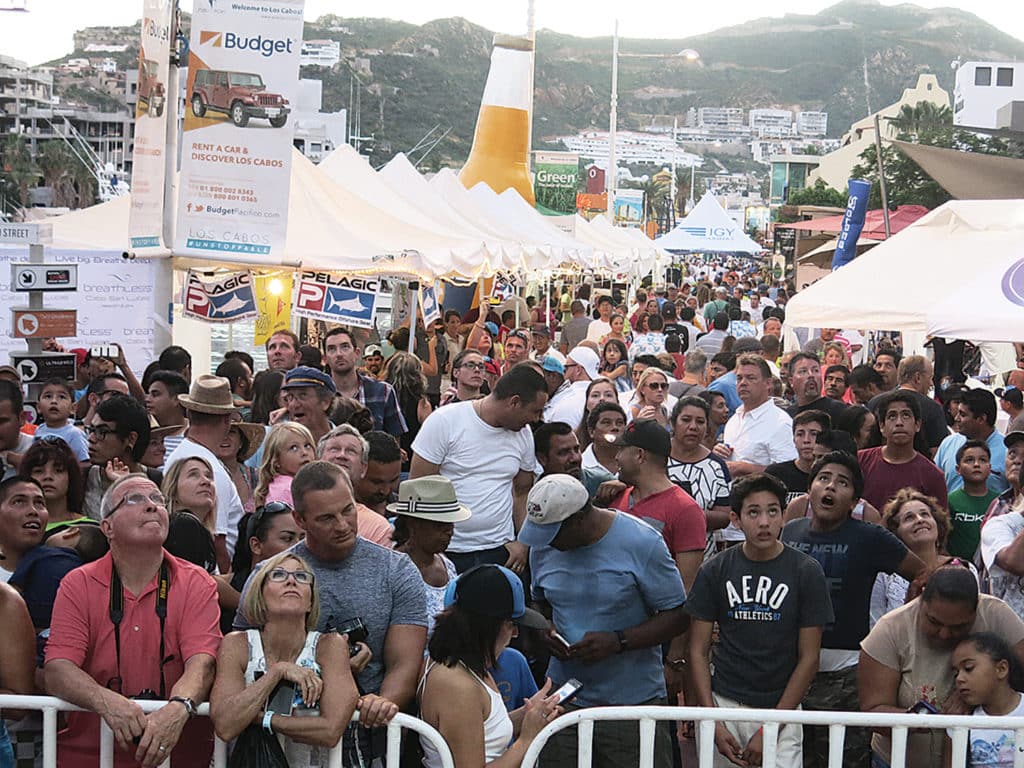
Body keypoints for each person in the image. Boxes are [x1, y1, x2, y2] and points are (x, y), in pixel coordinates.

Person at [233, 461, 427, 766]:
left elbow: (406, 663)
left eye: (347, 510)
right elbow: (246, 651)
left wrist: (383, 702)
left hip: (366, 731)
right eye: (326, 518)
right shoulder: (269, 575)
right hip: (279, 737)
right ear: (300, 519)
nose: (342, 524)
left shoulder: (397, 570)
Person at [45, 473, 221, 768]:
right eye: (135, 499)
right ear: (107, 527)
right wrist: (108, 702)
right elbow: (58, 669)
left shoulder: (197, 582)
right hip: (89, 758)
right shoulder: (77, 583)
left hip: (179, 759)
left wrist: (179, 708)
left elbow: (203, 663)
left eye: (158, 499)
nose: (152, 506)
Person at [518, 474, 686, 768]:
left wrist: (618, 641)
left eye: (554, 534)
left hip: (631, 704)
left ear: (579, 519)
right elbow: (540, 602)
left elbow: (679, 615)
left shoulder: (642, 542)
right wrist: (545, 630)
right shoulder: (544, 545)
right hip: (563, 700)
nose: (547, 544)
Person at [782, 452, 924, 768]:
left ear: (854, 501)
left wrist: (900, 626)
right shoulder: (790, 531)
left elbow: (924, 576)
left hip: (846, 676)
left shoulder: (870, 536)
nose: (830, 487)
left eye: (842, 483)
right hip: (790, 672)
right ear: (810, 490)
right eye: (823, 479)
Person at [687, 473, 833, 768]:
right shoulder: (715, 569)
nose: (764, 522)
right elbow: (697, 650)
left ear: (783, 516)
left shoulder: (806, 571)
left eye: (772, 511)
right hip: (723, 702)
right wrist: (711, 718)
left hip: (781, 707)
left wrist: (773, 725)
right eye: (753, 512)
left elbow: (809, 658)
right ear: (735, 518)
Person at [859, 566, 1024, 768]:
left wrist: (974, 698)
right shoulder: (889, 631)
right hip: (898, 761)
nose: (944, 633)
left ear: (976, 609)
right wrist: (921, 718)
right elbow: (872, 713)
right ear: (921, 601)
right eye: (934, 621)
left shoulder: (998, 615)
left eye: (959, 627)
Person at [211, 551, 358, 766]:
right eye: (278, 575)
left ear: (310, 602)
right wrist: (277, 671)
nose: (291, 581)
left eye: (301, 577)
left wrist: (263, 719)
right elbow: (225, 724)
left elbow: (330, 730)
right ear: (260, 595)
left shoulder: (329, 646)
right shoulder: (237, 644)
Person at [417, 564, 561, 768]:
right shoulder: (456, 685)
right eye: (512, 624)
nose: (516, 634)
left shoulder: (463, 666)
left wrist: (527, 716)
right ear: (488, 626)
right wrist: (526, 740)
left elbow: (479, 732)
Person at [411, 366, 546, 573]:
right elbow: (418, 489)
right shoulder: (444, 421)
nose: (537, 419)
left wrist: (523, 543)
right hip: (447, 553)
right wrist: (429, 551)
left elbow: (522, 492)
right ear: (514, 402)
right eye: (535, 411)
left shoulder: (524, 434)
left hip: (501, 551)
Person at [610, 420, 706, 592]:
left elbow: (686, 590)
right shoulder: (615, 497)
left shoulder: (685, 510)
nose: (617, 457)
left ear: (639, 455)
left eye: (621, 449)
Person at [165, 376, 244, 565]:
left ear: (189, 414)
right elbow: (218, 540)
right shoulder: (210, 471)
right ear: (227, 420)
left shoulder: (181, 455)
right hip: (209, 573)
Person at [388, 475, 470, 638]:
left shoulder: (447, 564)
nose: (450, 531)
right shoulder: (392, 571)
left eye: (451, 524)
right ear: (413, 524)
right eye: (439, 525)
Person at [870, 489, 961, 627]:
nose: (920, 520)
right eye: (909, 518)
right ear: (896, 533)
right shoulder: (884, 577)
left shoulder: (963, 568)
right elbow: (875, 626)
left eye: (925, 514)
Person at [858, 390, 948, 512]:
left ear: (917, 425)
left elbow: (940, 525)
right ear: (882, 426)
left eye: (906, 415)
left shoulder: (932, 475)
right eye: (892, 416)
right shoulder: (860, 461)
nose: (899, 423)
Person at [945, 632, 1024, 768]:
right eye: (956, 673)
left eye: (968, 668)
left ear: (1001, 669)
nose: (959, 678)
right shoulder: (960, 722)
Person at [666, 396, 732, 555]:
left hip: (702, 555)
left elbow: (724, 516)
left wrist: (689, 517)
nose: (693, 427)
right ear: (673, 423)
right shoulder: (655, 458)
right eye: (686, 420)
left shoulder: (716, 466)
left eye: (700, 422)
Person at [715, 354, 797, 478]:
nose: (743, 383)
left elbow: (788, 472)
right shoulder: (734, 420)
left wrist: (745, 468)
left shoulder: (780, 423)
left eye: (751, 378)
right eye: (739, 378)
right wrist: (718, 454)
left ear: (768, 383)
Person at [83, 394, 160, 520]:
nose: (91, 438)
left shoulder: (156, 482)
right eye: (91, 430)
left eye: (102, 432)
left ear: (130, 439)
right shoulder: (83, 478)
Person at [316, 425, 394, 547]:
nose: (341, 455)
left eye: (351, 451)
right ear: (317, 461)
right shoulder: (297, 507)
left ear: (363, 468)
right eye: (334, 449)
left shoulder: (378, 527)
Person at [323, 328, 407, 436]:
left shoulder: (384, 391)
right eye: (331, 349)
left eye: (345, 347)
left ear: (357, 353)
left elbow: (394, 443)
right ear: (325, 358)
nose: (339, 354)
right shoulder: (318, 395)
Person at [868, 355, 949, 456]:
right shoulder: (933, 408)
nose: (931, 383)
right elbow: (937, 451)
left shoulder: (874, 402)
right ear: (918, 377)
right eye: (930, 378)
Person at [935, 388, 1008, 495]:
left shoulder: (1007, 451)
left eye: (963, 414)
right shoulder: (948, 444)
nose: (956, 418)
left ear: (981, 419)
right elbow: (935, 482)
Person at [160, 456, 219, 573]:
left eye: (209, 476)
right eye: (193, 475)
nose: (206, 481)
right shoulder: (182, 525)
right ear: (173, 490)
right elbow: (192, 582)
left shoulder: (202, 532)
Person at [946, 440, 1000, 560]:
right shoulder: (949, 501)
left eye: (982, 460)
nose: (976, 464)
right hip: (960, 570)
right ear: (958, 469)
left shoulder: (1000, 502)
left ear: (990, 468)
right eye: (969, 460)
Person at [19, 437, 87, 529]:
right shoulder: (16, 529)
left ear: (71, 477)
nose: (48, 476)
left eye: (58, 471)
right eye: (39, 471)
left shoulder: (89, 528)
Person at [766, 410, 830, 503]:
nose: (806, 440)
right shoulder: (775, 474)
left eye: (814, 434)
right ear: (793, 440)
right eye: (800, 434)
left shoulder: (832, 476)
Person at [384, 351, 433, 472]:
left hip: (385, 463)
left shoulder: (382, 397)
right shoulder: (422, 403)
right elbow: (430, 436)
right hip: (411, 464)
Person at [253, 422, 316, 509]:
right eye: (294, 448)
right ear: (276, 460)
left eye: (307, 445)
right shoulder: (287, 488)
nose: (304, 452)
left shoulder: (301, 483)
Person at [33, 378, 89, 462]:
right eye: (48, 396)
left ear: (73, 408)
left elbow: (85, 463)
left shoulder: (74, 434)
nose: (54, 401)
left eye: (62, 397)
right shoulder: (39, 430)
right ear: (38, 407)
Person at [352, 431, 403, 521]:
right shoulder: (339, 513)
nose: (385, 491)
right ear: (358, 470)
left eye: (393, 480)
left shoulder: (403, 512)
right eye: (377, 482)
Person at [786, 353, 849, 424]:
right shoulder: (787, 416)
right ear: (791, 381)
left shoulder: (840, 411)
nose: (811, 375)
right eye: (803, 371)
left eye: (815, 370)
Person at [143, 371, 189, 462]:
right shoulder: (144, 433)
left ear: (176, 399)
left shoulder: (194, 434)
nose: (147, 399)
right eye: (148, 394)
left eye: (155, 394)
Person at [581, 401, 626, 476]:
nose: (615, 427)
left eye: (619, 423)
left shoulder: (636, 463)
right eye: (606, 423)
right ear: (591, 431)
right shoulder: (581, 466)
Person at [574, 377, 618, 450]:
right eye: (595, 395)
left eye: (608, 395)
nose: (602, 399)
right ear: (587, 403)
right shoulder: (574, 439)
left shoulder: (628, 438)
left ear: (617, 401)